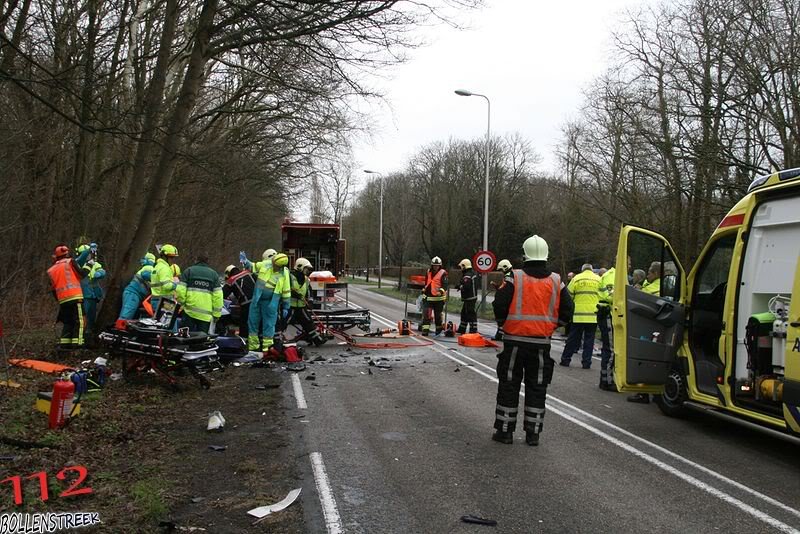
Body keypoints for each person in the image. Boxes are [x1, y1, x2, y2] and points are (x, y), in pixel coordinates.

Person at [492, 235, 573, 446]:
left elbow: (499, 303)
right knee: (537, 388)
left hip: (514, 343)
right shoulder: (556, 281)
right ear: (546, 254)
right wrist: (552, 325)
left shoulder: (514, 277)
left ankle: (505, 431)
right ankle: (533, 434)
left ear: (524, 254)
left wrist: (504, 323)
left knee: (509, 385)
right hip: (541, 345)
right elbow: (568, 309)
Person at [629, 261, 662, 404]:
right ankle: (656, 392)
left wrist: (636, 290)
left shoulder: (651, 288)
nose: (647, 275)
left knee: (644, 360)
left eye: (649, 272)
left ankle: (642, 393)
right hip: (660, 329)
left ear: (656, 273)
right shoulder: (666, 285)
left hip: (647, 328)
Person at [245, 252, 290, 352]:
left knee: (269, 325)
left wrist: (286, 305)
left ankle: (267, 349)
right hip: (257, 299)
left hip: (270, 302)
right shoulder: (266, 264)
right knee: (252, 322)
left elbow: (286, 291)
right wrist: (245, 262)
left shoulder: (285, 273)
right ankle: (253, 347)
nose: (272, 264)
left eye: (275, 264)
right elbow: (252, 266)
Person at [560, 263, 601, 369]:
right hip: (593, 315)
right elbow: (602, 296)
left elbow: (569, 295)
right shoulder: (599, 279)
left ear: (582, 270)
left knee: (572, 338)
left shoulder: (576, 279)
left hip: (578, 315)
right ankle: (586, 363)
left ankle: (565, 360)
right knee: (589, 340)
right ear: (592, 270)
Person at [47, 245, 86, 350]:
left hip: (63, 299)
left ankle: (65, 345)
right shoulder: (70, 262)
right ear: (66, 254)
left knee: (68, 322)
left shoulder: (51, 270)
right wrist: (89, 265)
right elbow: (81, 274)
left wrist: (60, 300)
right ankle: (78, 344)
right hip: (75, 296)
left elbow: (53, 289)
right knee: (80, 321)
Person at [175, 254, 223, 333]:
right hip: (205, 315)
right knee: (202, 340)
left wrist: (182, 304)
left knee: (185, 338)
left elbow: (180, 290)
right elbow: (218, 296)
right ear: (207, 262)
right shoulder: (214, 274)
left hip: (189, 312)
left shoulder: (189, 271)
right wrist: (216, 314)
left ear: (196, 261)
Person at [287, 258, 325, 346]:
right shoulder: (289, 277)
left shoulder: (306, 280)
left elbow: (309, 292)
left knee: (308, 321)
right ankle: (278, 340)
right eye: (306, 269)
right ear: (299, 267)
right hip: (290, 306)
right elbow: (285, 289)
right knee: (284, 322)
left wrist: (310, 301)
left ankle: (316, 339)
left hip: (301, 306)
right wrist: (294, 294)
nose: (308, 271)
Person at [597, 266, 617, 391]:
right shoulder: (611, 276)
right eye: (629, 263)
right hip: (608, 315)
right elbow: (609, 296)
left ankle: (606, 379)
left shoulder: (614, 275)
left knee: (609, 348)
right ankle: (606, 381)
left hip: (608, 316)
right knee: (610, 349)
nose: (630, 266)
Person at [119, 253, 156, 320]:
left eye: (144, 259)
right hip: (133, 294)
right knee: (127, 313)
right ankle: (119, 328)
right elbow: (146, 275)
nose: (142, 260)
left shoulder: (146, 267)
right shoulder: (149, 268)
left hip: (132, 293)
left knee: (128, 312)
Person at [222, 264, 255, 337]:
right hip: (258, 301)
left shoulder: (231, 280)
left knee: (244, 323)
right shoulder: (248, 273)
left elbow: (223, 294)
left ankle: (244, 340)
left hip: (246, 304)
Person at [421, 256, 448, 336]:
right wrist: (424, 289)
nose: (436, 267)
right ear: (432, 265)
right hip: (428, 298)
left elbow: (445, 285)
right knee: (427, 315)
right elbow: (427, 282)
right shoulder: (428, 272)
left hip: (438, 299)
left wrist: (441, 291)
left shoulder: (443, 273)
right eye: (434, 265)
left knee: (438, 316)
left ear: (440, 266)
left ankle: (438, 330)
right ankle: (425, 331)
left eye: (437, 265)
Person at [150, 244, 179, 313]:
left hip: (156, 300)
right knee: (169, 323)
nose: (173, 260)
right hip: (164, 302)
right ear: (165, 257)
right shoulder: (164, 268)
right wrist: (177, 285)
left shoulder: (157, 266)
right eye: (171, 257)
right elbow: (167, 286)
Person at [491, 259, 513, 340]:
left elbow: (505, 291)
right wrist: (496, 286)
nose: (501, 272)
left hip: (504, 303)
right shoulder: (509, 276)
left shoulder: (508, 277)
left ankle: (500, 335)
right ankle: (501, 334)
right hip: (506, 302)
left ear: (505, 267)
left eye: (501, 270)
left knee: (502, 319)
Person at [456, 259, 479, 334]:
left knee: (470, 313)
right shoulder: (471, 273)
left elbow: (466, 286)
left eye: (461, 267)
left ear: (464, 266)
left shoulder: (467, 275)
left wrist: (459, 286)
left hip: (469, 297)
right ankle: (462, 328)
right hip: (470, 297)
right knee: (464, 313)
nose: (460, 269)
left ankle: (473, 330)